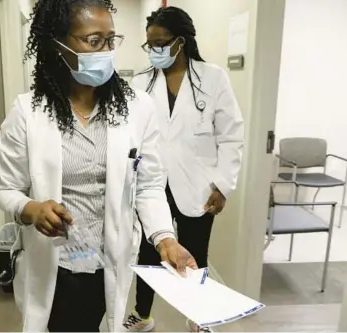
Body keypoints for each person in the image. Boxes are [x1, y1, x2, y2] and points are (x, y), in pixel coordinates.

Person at [0, 1, 198, 332]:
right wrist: (31, 209)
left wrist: (165, 239)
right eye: (93, 41)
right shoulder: (27, 113)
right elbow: (6, 188)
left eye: (111, 39)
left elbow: (147, 185)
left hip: (111, 259)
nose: (106, 51)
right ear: (58, 44)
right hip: (56, 262)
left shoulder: (138, 109)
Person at [123, 6, 244, 333]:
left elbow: (232, 135)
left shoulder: (213, 77)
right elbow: (131, 134)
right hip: (151, 184)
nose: (154, 51)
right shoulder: (139, 83)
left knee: (195, 255)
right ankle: (143, 314)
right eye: (150, 45)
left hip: (198, 186)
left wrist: (223, 185)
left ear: (181, 41)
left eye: (160, 43)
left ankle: (197, 316)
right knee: (148, 253)